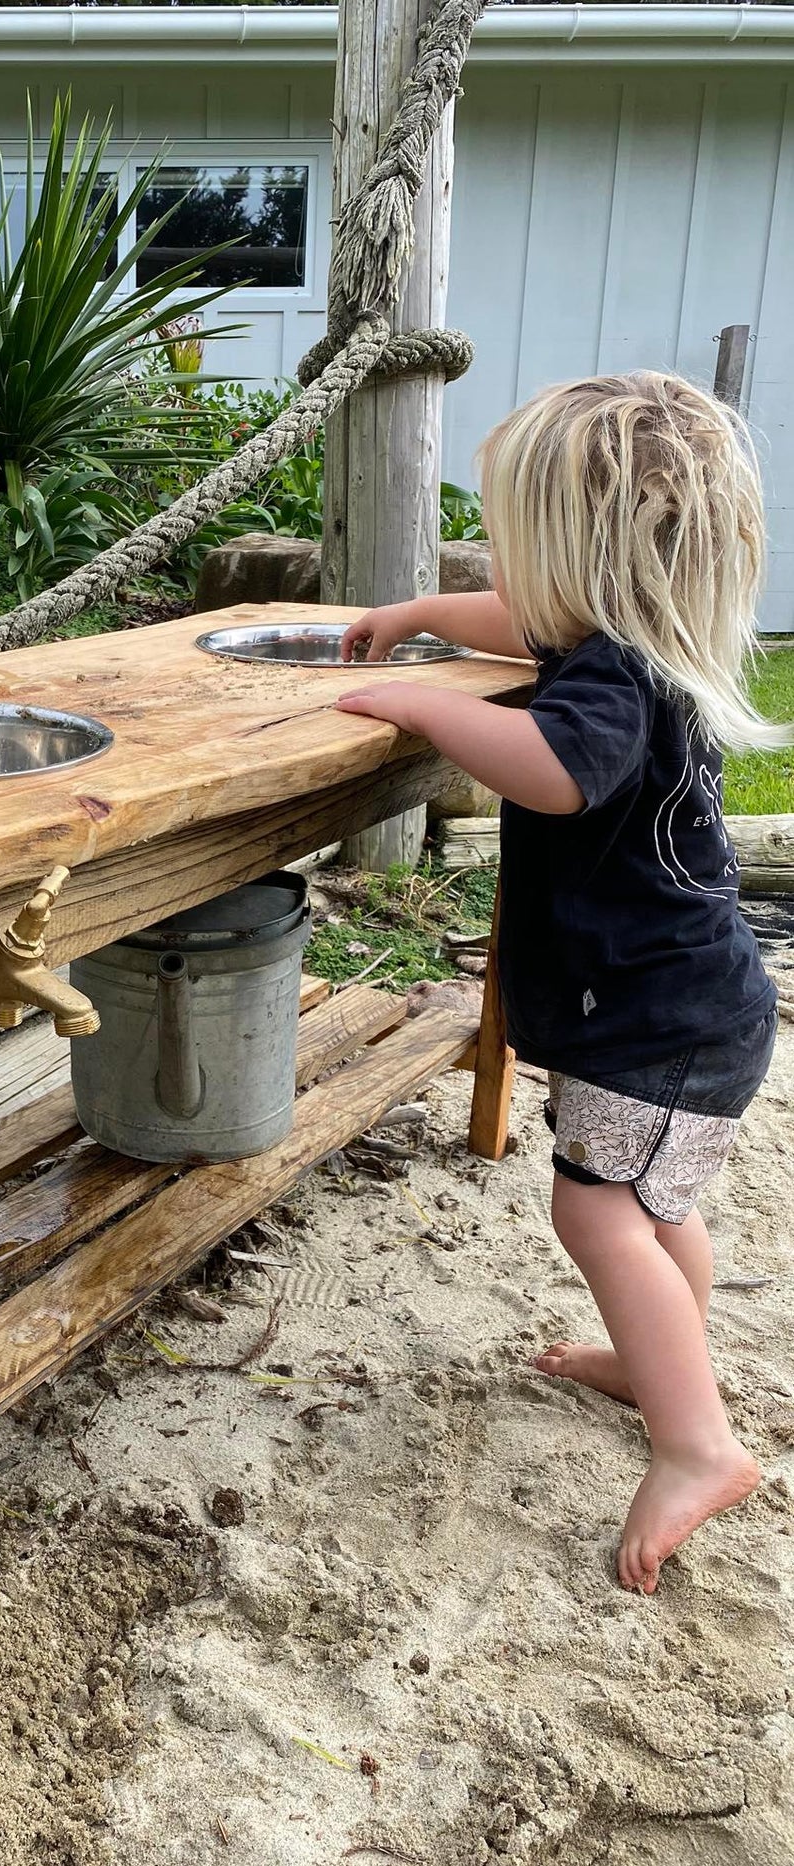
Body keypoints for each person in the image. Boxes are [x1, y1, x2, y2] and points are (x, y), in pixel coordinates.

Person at [335, 372, 786, 1595]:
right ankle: (661, 1369)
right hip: (691, 1013)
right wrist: (426, 610)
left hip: (656, 1026)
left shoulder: (606, 686)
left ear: (575, 557)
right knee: (650, 1210)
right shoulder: (620, 637)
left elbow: (550, 773)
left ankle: (696, 1444)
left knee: (595, 1214)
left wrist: (422, 705)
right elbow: (515, 623)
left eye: (508, 542)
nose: (498, 567)